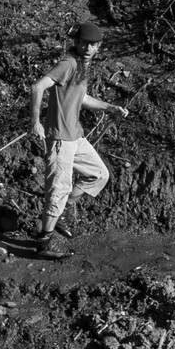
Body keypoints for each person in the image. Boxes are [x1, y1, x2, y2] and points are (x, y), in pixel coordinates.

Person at [28, 21, 129, 258]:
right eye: (84, 43)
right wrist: (35, 122)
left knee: (99, 174)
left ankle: (62, 211)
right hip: (61, 140)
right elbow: (37, 87)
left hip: (76, 137)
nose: (87, 48)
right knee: (58, 192)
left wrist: (109, 107)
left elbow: (81, 98)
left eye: (92, 45)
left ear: (98, 47)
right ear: (77, 43)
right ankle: (43, 246)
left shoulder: (83, 66)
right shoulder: (69, 63)